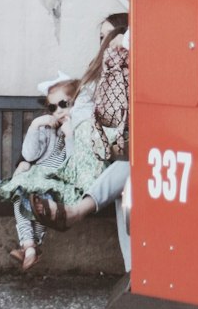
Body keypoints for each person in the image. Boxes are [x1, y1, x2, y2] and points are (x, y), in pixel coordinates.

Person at [32, 15, 131, 264]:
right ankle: (133, 273)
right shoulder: (94, 73)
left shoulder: (129, 66)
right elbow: (81, 113)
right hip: (94, 153)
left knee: (129, 174)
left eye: (110, 37)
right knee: (128, 174)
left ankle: (76, 211)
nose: (105, 44)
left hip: (118, 154)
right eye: (101, 38)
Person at [6, 75, 77, 271]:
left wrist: (70, 135)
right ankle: (30, 246)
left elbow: (73, 165)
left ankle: (29, 247)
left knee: (43, 203)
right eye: (53, 107)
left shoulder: (81, 129)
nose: (59, 110)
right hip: (37, 175)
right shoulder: (48, 129)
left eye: (64, 104)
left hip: (59, 179)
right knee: (20, 196)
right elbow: (29, 155)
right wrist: (35, 125)